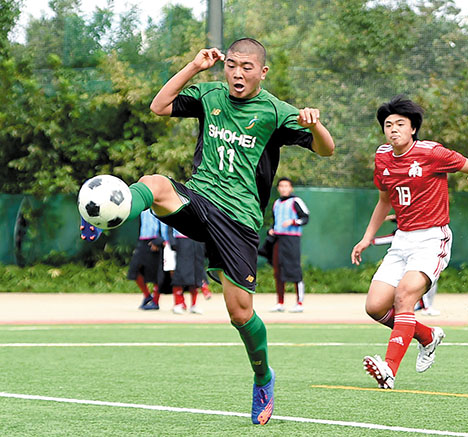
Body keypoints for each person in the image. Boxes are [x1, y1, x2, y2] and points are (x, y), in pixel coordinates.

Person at [96, 38, 335, 424]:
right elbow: (159, 106)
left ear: (262, 72)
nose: (237, 73)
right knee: (154, 184)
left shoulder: (276, 112)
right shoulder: (210, 95)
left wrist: (316, 125)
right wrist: (194, 66)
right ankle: (116, 209)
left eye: (246, 67)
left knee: (240, 314)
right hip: (201, 200)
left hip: (240, 221)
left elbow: (327, 150)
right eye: (232, 65)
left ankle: (263, 376)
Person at [351, 94, 468, 390]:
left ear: (413, 128)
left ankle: (389, 369)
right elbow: (384, 199)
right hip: (402, 241)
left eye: (400, 124)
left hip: (431, 238)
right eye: (388, 125)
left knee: (404, 297)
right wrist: (367, 238)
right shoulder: (382, 156)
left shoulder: (432, 153)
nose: (393, 129)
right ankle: (427, 336)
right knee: (375, 307)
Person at [371, 214, 440, 316]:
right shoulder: (400, 232)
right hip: (406, 259)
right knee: (415, 281)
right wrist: (370, 240)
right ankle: (425, 307)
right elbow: (388, 237)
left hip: (421, 252)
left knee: (427, 280)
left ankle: (422, 306)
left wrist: (391, 217)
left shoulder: (423, 226)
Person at [265, 177, 310, 313]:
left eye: (286, 186)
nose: (284, 188)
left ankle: (299, 303)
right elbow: (275, 221)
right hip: (278, 239)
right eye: (281, 186)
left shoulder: (296, 201)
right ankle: (280, 303)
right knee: (278, 271)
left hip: (292, 240)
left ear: (291, 188)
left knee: (295, 269)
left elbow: (305, 218)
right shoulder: (276, 203)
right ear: (278, 188)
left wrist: (293, 222)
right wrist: (272, 229)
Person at [127, 209, 168, 310]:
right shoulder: (143, 206)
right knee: (134, 270)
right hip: (143, 240)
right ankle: (147, 296)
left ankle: (155, 302)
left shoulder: (159, 204)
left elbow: (165, 222)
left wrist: (160, 241)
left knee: (156, 273)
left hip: (156, 240)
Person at [167, 227, 211, 314]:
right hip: (182, 240)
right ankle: (178, 304)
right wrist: (172, 241)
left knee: (196, 274)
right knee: (181, 272)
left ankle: (193, 305)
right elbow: (169, 226)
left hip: (197, 241)